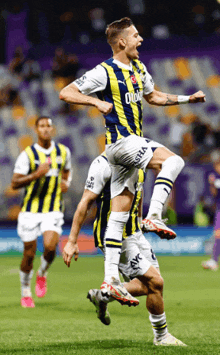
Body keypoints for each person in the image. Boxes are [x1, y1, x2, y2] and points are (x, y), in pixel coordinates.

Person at [59, 17, 206, 305]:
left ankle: (110, 282)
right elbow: (66, 92)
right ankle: (154, 215)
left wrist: (188, 99)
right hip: (120, 143)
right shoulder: (105, 71)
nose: (140, 39)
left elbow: (154, 97)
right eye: (136, 35)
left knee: (119, 217)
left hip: (130, 149)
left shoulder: (139, 68)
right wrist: (96, 102)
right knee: (173, 161)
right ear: (122, 41)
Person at [63, 152, 186, 346]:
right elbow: (85, 202)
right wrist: (71, 241)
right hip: (114, 237)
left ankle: (102, 295)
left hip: (134, 233)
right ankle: (161, 337)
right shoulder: (102, 164)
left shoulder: (138, 158)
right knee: (156, 282)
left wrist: (140, 223)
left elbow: (138, 194)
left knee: (151, 287)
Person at [11, 116, 72, 308]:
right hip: (30, 210)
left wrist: (66, 183)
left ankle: (42, 274)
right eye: (42, 126)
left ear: (53, 129)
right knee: (28, 254)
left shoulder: (63, 152)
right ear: (36, 130)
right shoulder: (27, 155)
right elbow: (14, 183)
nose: (45, 129)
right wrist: (36, 175)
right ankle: (25, 291)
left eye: (48, 126)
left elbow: (67, 171)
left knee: (50, 246)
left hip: (53, 209)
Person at [202, 151, 220, 271]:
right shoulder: (215, 176)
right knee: (217, 233)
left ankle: (214, 261)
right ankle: (213, 260)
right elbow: (213, 193)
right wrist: (212, 184)